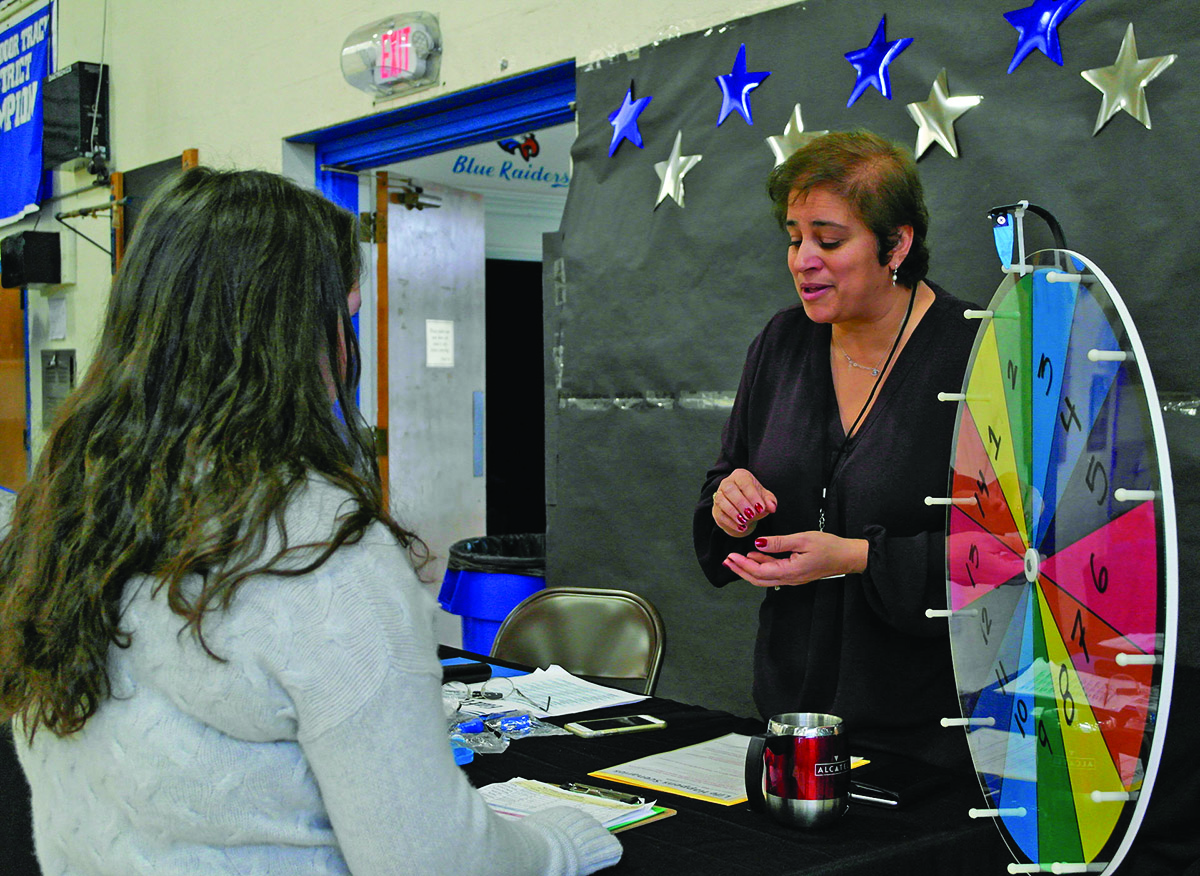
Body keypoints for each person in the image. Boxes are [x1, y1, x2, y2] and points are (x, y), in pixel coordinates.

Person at [0, 168, 622, 875]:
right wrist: (561, 847)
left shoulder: (68, 504)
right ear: (291, 331)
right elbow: (432, 863)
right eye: (345, 313)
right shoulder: (318, 545)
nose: (348, 339)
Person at [693, 130, 977, 770]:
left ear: (896, 245)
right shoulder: (781, 342)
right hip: (793, 720)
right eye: (794, 239)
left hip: (935, 734)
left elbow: (1013, 556)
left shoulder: (977, 352)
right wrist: (727, 503)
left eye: (829, 239)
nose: (802, 261)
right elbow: (722, 480)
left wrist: (854, 557)